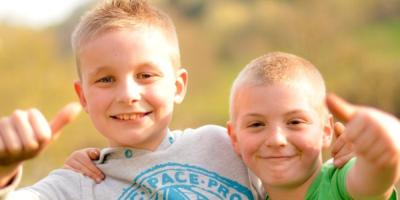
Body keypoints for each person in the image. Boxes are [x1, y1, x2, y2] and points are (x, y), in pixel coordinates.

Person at [0, 0, 259, 199]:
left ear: (178, 86)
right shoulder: (76, 185)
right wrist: (5, 170)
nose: (127, 95)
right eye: (106, 80)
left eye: (145, 75)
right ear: (83, 98)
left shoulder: (225, 145)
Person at [226, 52, 400, 199]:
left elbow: (373, 179)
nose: (276, 139)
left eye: (295, 122)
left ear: (326, 131)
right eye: (256, 124)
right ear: (234, 138)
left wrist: (385, 150)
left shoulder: (339, 183)